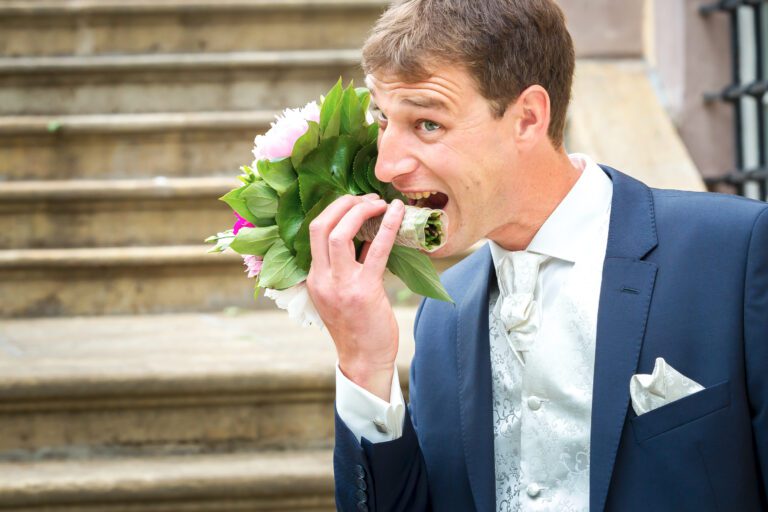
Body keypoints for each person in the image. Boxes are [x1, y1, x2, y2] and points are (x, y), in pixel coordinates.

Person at [304, 0, 768, 510]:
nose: (386, 166)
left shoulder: (737, 252)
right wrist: (365, 363)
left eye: (428, 124)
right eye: (383, 119)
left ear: (527, 118)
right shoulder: (441, 312)